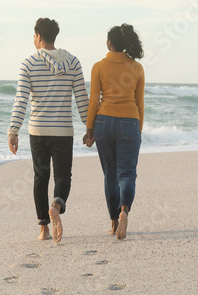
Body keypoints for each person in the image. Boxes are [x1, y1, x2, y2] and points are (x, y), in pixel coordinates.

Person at [8, 18, 89, 243]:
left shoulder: (28, 63)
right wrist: (89, 127)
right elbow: (82, 99)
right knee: (63, 176)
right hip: (63, 130)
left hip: (38, 131)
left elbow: (21, 100)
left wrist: (13, 130)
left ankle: (44, 230)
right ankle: (57, 206)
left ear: (39, 36)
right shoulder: (73, 62)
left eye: (33, 36)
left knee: (40, 177)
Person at [83, 24, 145, 240]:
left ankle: (114, 223)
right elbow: (139, 102)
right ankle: (124, 210)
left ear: (109, 43)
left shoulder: (98, 66)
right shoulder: (137, 68)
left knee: (110, 174)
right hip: (130, 122)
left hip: (104, 122)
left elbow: (93, 102)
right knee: (127, 173)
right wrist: (138, 129)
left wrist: (89, 130)